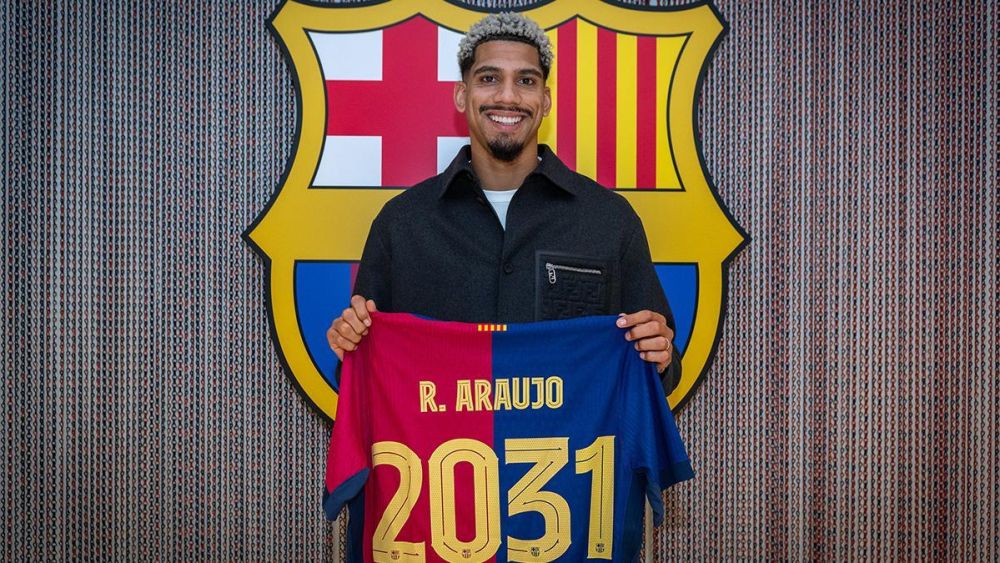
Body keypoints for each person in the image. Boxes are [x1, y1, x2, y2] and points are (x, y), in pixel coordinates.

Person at [326, 12, 681, 392]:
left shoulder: (609, 220)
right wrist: (351, 345)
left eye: (525, 81)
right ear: (462, 96)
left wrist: (658, 355)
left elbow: (665, 371)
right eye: (489, 78)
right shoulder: (401, 224)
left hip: (564, 451)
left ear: (545, 101)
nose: (508, 96)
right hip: (449, 451)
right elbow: (360, 381)